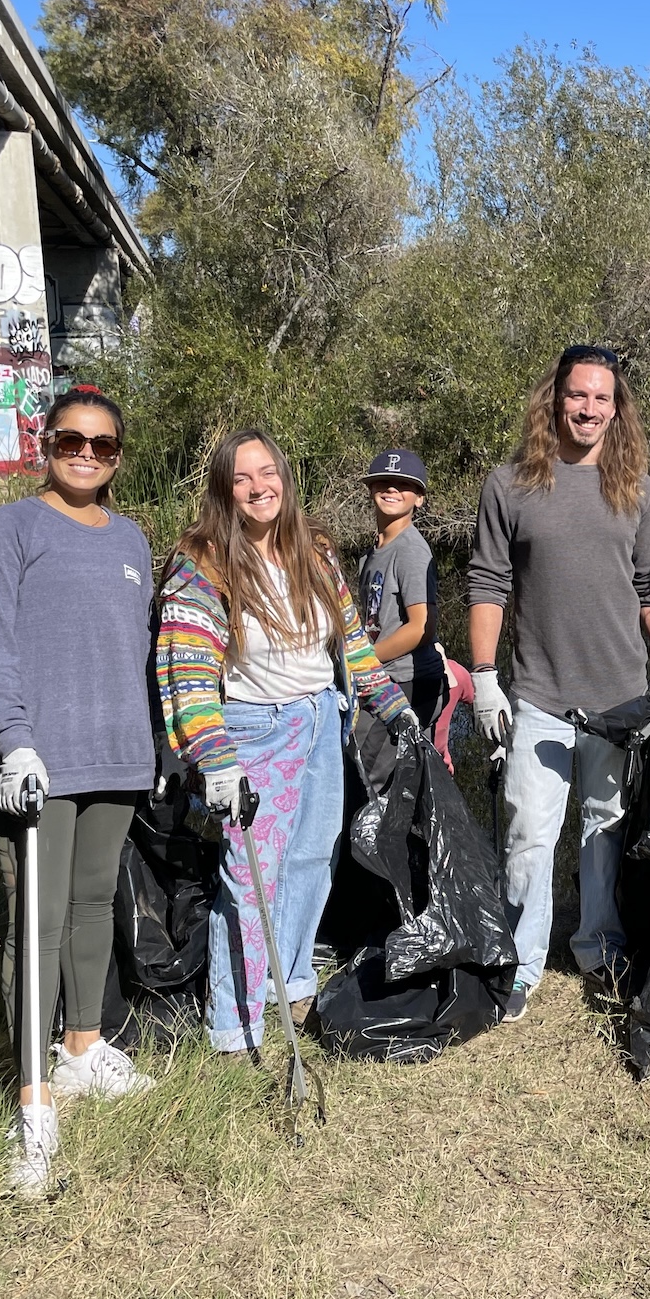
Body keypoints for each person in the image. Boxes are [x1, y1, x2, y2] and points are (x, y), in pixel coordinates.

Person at [156, 429, 419, 1056]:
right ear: (225, 489)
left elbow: (352, 645)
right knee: (250, 877)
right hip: (253, 731)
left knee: (311, 859)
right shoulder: (203, 562)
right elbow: (186, 671)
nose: (258, 487)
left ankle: (290, 980)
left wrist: (396, 710)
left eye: (267, 472)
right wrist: (213, 761)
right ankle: (234, 1023)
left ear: (284, 477)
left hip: (322, 721)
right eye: (242, 477)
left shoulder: (314, 550)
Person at [0, 385, 158, 1197]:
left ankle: (81, 1048)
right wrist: (13, 740)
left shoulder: (134, 538)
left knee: (90, 906)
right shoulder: (6, 530)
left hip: (117, 754)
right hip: (36, 761)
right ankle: (32, 1103)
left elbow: (143, 650)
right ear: (45, 443)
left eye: (102, 445)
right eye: (71, 440)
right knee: (36, 923)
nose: (85, 454)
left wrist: (170, 745)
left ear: (117, 456)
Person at [468, 344, 650, 1022]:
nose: (588, 408)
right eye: (577, 395)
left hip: (621, 697)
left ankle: (599, 946)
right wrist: (481, 677)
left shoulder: (637, 486)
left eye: (602, 397)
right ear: (554, 399)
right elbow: (487, 583)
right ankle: (522, 961)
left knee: (605, 826)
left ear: (617, 409)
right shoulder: (510, 486)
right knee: (530, 832)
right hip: (539, 695)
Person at [357, 448, 448, 730]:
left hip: (408, 681)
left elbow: (422, 626)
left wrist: (364, 661)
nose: (392, 489)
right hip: (381, 676)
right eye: (383, 482)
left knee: (368, 770)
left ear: (419, 498)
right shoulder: (372, 553)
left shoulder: (410, 550)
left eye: (405, 484)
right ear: (371, 488)